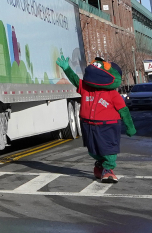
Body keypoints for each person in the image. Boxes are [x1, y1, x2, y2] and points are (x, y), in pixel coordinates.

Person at [57, 55, 136, 183]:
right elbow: (76, 80)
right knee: (93, 150)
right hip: (88, 125)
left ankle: (108, 170)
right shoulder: (86, 89)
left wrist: (130, 127)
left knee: (109, 150)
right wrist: (67, 69)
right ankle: (100, 165)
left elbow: (124, 111)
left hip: (108, 126)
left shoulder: (113, 94)